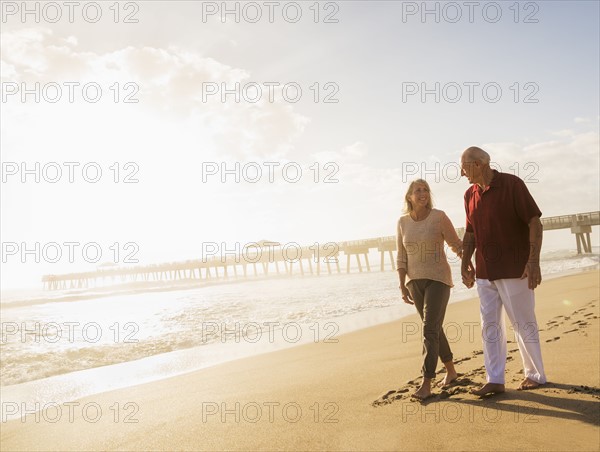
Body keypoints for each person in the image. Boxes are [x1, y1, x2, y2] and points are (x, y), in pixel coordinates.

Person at [460, 146, 546, 396]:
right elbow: (470, 232)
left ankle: (535, 375)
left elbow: (534, 222)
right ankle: (495, 379)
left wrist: (533, 261)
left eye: (464, 166)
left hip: (515, 268)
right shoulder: (469, 195)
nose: (462, 172)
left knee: (522, 322)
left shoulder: (512, 185)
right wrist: (465, 261)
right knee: (490, 326)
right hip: (485, 272)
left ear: (479, 164)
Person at [396, 179, 463, 400]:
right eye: (418, 190)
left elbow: (455, 244)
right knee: (434, 328)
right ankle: (451, 371)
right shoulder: (402, 222)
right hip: (414, 282)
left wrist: (468, 266)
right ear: (409, 196)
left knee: (429, 330)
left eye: (425, 190)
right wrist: (402, 283)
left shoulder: (439, 217)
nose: (423, 193)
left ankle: (426, 382)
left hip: (438, 279)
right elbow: (401, 255)